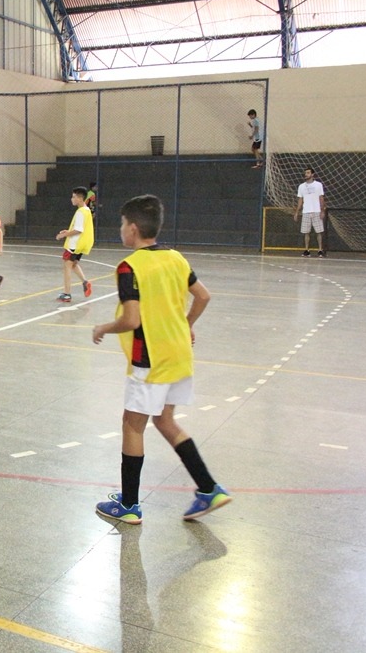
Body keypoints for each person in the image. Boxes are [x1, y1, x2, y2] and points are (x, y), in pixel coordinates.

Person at [92, 194, 231, 525]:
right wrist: (186, 324)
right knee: (165, 421)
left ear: (134, 229)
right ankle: (209, 488)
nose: (121, 230)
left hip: (150, 360)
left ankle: (128, 505)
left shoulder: (130, 267)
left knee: (132, 424)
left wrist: (103, 327)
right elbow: (203, 296)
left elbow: (131, 320)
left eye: (123, 224)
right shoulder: (176, 258)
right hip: (179, 355)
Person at [54, 186, 95, 303]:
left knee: (67, 266)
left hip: (75, 244)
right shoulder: (87, 210)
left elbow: (78, 230)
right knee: (73, 264)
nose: (72, 199)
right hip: (81, 244)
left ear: (80, 198)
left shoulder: (80, 212)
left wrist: (64, 235)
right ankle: (85, 282)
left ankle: (67, 294)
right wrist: (67, 231)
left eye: (74, 197)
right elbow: (79, 228)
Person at [294, 167, 326, 258]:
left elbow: (321, 197)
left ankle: (320, 250)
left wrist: (322, 210)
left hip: (316, 211)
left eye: (308, 173)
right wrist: (297, 212)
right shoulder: (301, 186)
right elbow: (300, 199)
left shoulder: (318, 185)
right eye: (305, 173)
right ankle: (307, 250)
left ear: (312, 174)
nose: (306, 174)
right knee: (306, 232)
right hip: (306, 211)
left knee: (319, 232)